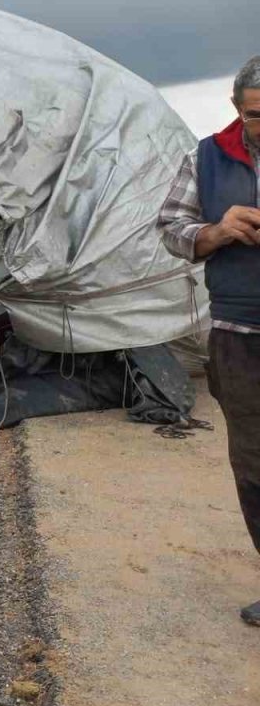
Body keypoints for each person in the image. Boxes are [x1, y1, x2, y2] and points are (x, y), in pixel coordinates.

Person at [157, 55, 260, 626]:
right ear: (236, 109)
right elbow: (171, 229)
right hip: (239, 336)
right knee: (254, 466)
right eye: (255, 115)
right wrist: (216, 231)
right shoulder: (206, 158)